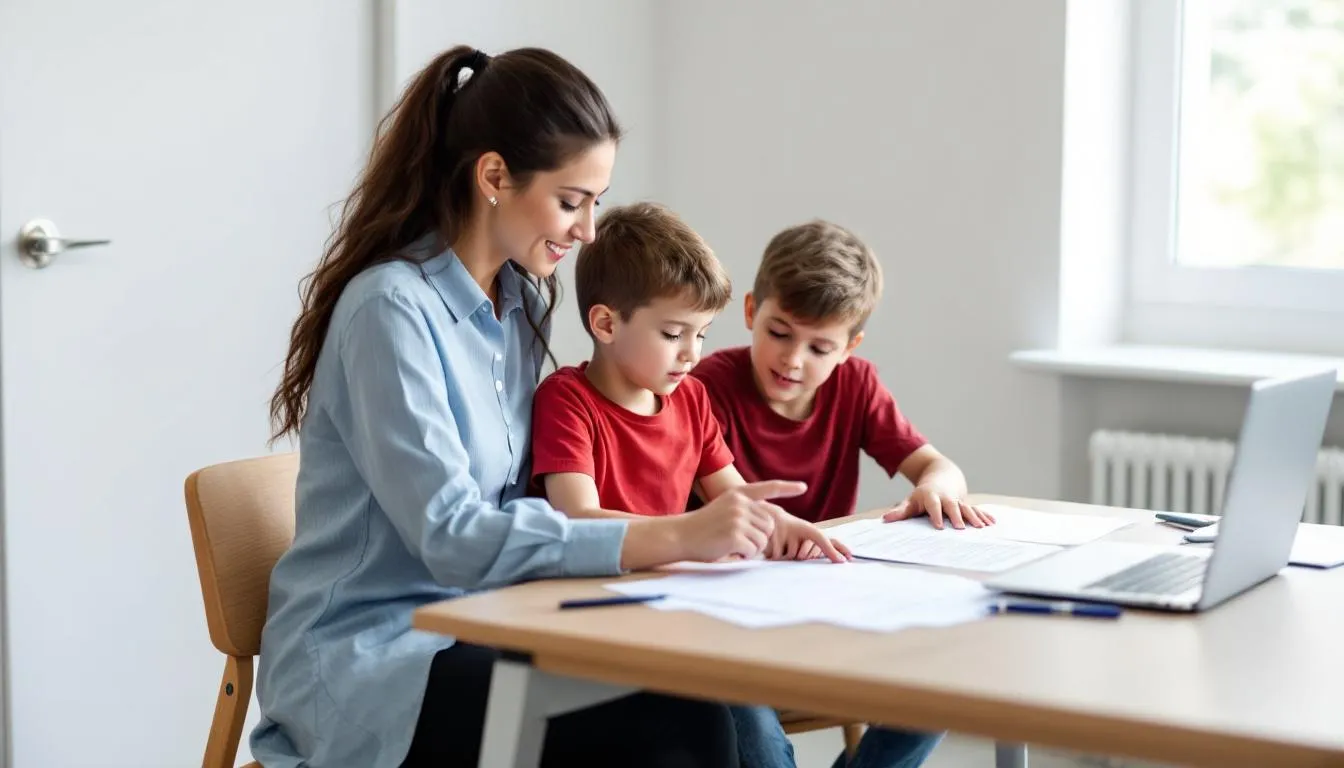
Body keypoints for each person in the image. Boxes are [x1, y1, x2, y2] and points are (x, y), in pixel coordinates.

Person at [253, 45, 799, 768]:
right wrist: (670, 537)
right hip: (379, 664)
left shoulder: (515, 305)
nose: (588, 231)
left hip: (485, 625)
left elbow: (517, 502)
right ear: (494, 176)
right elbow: (451, 534)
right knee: (672, 727)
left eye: (596, 203)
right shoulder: (390, 311)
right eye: (572, 202)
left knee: (703, 698)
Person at [529, 201, 850, 768]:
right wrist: (690, 532)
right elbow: (573, 518)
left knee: (766, 706)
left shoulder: (691, 399)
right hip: (602, 607)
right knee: (739, 711)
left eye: (701, 334)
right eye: (674, 333)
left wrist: (787, 526)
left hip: (684, 607)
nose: (691, 354)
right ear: (605, 324)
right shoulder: (568, 400)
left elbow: (734, 496)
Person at [691, 219, 996, 768]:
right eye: (779, 332)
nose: (792, 360)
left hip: (826, 607)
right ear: (750, 312)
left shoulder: (856, 385)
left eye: (819, 347)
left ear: (849, 347)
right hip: (730, 611)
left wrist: (936, 488)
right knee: (756, 737)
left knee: (946, 678)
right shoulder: (706, 386)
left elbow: (938, 466)